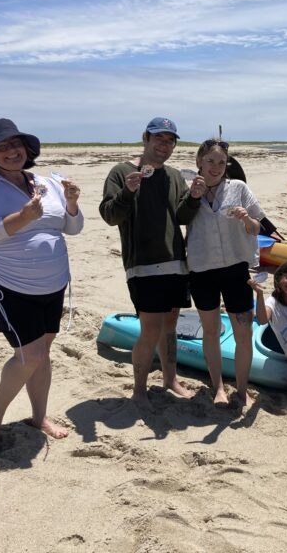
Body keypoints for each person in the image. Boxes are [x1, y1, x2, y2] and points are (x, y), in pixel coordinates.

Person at [0, 118, 83, 453]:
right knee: (29, 355)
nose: (11, 151)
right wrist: (22, 218)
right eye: (1, 147)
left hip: (53, 284)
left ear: (27, 149)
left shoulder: (47, 182)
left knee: (42, 353)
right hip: (9, 284)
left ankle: (38, 417)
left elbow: (72, 227)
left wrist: (72, 204)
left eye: (15, 144)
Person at [99, 117, 203, 407]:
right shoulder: (121, 172)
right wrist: (127, 192)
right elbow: (109, 215)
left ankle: (170, 379)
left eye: (170, 141)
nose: (164, 145)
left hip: (175, 263)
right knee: (150, 329)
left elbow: (181, 216)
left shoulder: (173, 175)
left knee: (170, 327)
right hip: (143, 265)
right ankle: (139, 389)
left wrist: (194, 197)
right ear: (145, 138)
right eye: (159, 138)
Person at [186, 138, 265, 408]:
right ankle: (218, 388)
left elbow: (256, 228)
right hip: (201, 270)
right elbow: (178, 219)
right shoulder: (189, 190)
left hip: (236, 269)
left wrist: (246, 218)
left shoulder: (238, 188)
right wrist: (192, 195)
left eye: (221, 162)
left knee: (243, 333)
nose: (216, 167)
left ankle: (242, 390)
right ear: (200, 161)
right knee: (210, 331)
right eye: (210, 161)